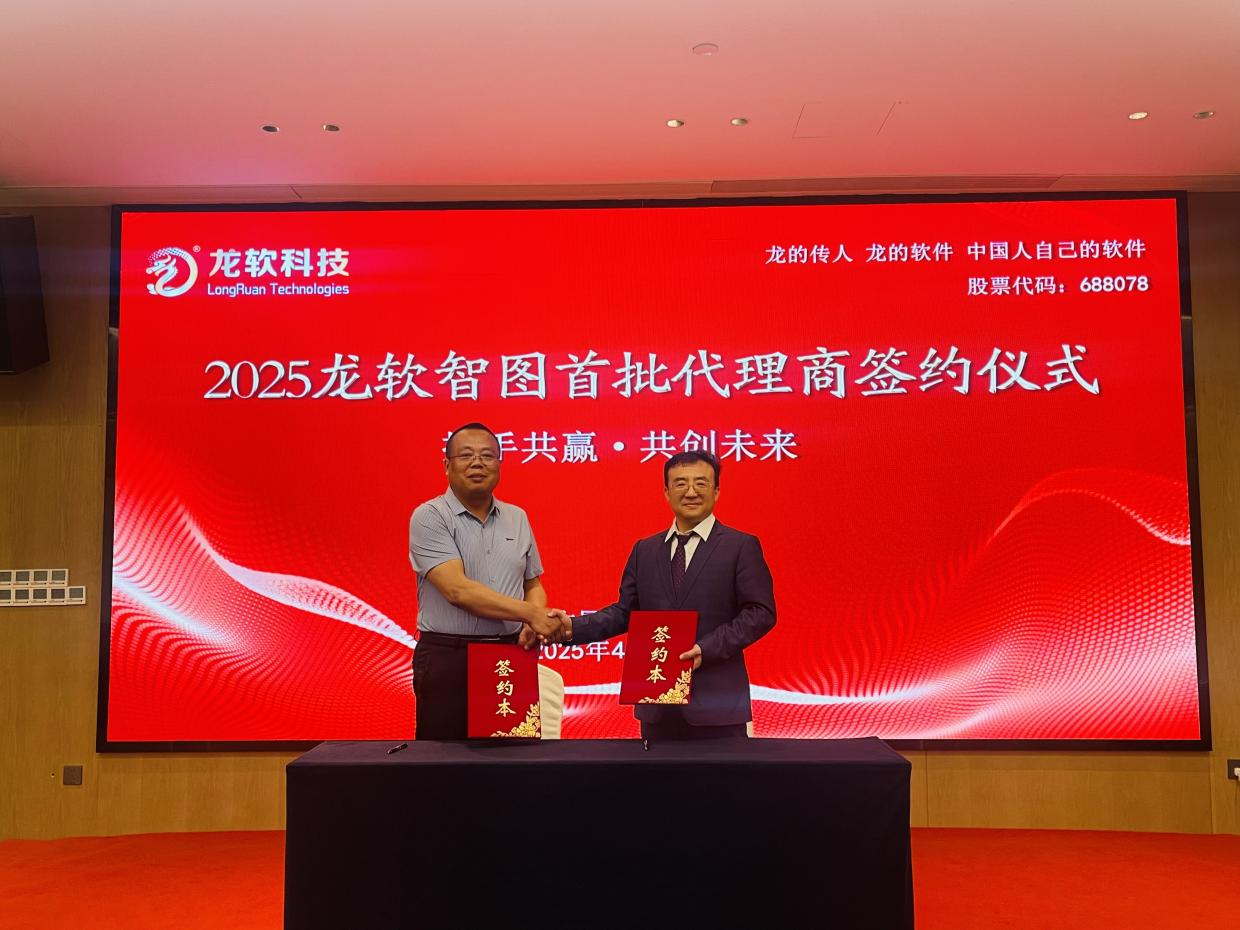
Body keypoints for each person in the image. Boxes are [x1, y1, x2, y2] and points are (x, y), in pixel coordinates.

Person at [535, 450, 775, 740]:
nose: (691, 492)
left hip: (717, 705)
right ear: (666, 492)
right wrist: (571, 628)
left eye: (701, 483)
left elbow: (760, 612)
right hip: (656, 703)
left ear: (716, 491)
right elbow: (625, 613)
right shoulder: (645, 550)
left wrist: (706, 649)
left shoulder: (740, 546)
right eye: (680, 483)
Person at [408, 422, 567, 739]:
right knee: (445, 759)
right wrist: (530, 613)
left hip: (509, 655)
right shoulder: (430, 516)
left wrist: (533, 622)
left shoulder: (517, 517)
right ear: (447, 465)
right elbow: (458, 590)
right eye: (466, 455)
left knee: (512, 758)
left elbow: (532, 583)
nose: (477, 463)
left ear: (499, 463)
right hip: (450, 658)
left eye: (487, 456)